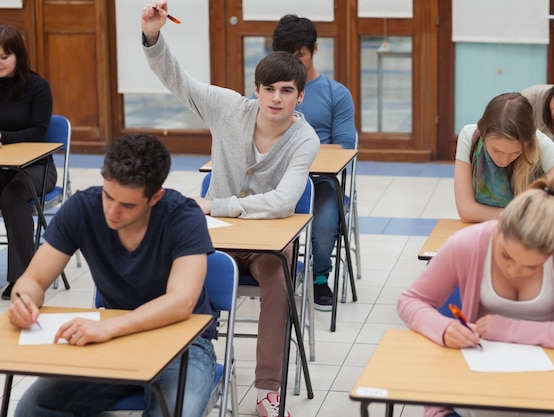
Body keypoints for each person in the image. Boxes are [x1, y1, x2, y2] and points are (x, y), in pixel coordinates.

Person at [141, 4, 319, 417]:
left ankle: (267, 394)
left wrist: (216, 204)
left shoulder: (304, 139)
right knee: (169, 266)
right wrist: (152, 36)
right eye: (269, 89)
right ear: (255, 90)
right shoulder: (227, 108)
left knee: (278, 277)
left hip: (265, 247)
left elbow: (282, 203)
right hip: (214, 238)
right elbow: (178, 81)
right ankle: (176, 366)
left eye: (287, 91)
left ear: (299, 95)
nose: (277, 98)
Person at [8, 134, 218, 417]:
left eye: (128, 205)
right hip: (115, 341)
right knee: (33, 408)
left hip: (185, 344)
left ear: (156, 197)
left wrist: (109, 328)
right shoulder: (83, 207)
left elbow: (182, 301)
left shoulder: (182, 216)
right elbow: (34, 280)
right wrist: (24, 301)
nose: (112, 211)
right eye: (108, 196)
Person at [398, 176, 554, 417]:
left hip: (550, 389)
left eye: (530, 267)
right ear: (500, 222)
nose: (513, 270)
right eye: (506, 256)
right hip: (477, 391)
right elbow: (410, 301)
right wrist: (444, 328)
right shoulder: (467, 243)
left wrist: (508, 329)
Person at [272, 14, 357, 311]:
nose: (295, 64)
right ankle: (275, 271)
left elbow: (345, 147)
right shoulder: (272, 93)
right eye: (287, 57)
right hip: (276, 180)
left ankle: (319, 278)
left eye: (300, 56)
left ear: (314, 50)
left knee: (322, 227)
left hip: (321, 181)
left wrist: (302, 152)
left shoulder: (336, 94)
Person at [454, 92, 554, 230]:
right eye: (496, 151)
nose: (504, 160)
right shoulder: (470, 137)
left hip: (533, 239)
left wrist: (513, 220)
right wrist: (522, 218)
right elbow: (466, 210)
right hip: (492, 232)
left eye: (516, 152)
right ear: (484, 136)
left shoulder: (543, 145)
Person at [0, 24, 57, 300]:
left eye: (3, 57)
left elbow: (38, 132)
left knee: (12, 196)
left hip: (38, 168)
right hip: (3, 166)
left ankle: (22, 279)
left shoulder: (38, 87)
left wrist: (3, 136)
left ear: (18, 56)